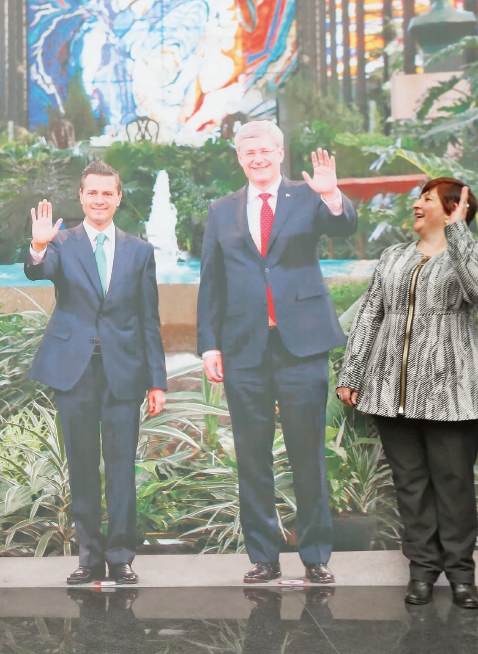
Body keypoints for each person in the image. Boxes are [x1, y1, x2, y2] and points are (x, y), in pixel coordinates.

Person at [197, 120, 358, 584]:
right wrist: (209, 344)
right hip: (244, 347)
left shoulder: (307, 197)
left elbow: (344, 226)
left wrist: (331, 195)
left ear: (280, 152)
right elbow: (212, 283)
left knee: (307, 452)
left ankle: (315, 557)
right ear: (239, 158)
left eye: (264, 150)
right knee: (252, 455)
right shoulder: (221, 210)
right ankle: (263, 558)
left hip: (301, 344)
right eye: (248, 152)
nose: (257, 158)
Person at [336, 179, 478, 609]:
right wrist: (351, 373)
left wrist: (461, 234)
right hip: (391, 392)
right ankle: (422, 571)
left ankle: (463, 576)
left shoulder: (476, 256)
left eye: (426, 199)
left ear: (452, 210)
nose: (416, 205)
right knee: (410, 485)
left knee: (454, 486)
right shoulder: (393, 257)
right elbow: (370, 315)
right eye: (419, 198)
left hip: (451, 395)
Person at [25, 162, 167, 585]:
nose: (100, 200)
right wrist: (36, 246)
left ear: (118, 197)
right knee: (82, 464)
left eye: (108, 193)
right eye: (93, 193)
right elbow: (38, 269)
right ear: (82, 196)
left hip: (124, 372)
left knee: (121, 467)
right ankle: (89, 557)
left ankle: (121, 556)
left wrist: (157, 381)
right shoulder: (61, 242)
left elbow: (149, 320)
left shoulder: (139, 251)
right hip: (75, 371)